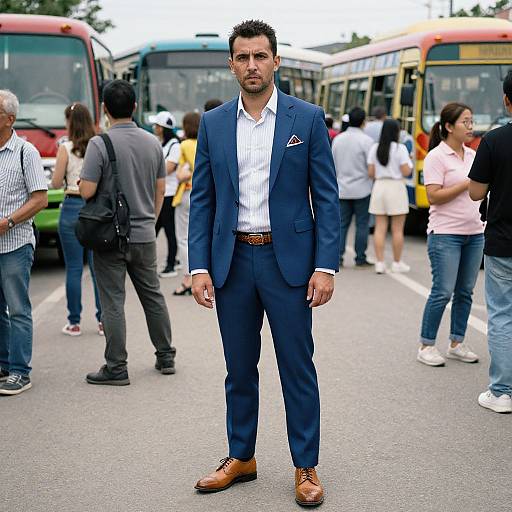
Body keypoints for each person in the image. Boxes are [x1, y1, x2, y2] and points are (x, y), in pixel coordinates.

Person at [189, 20, 340, 507]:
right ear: (231, 64)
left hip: (288, 263)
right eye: (242, 57)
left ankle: (305, 466)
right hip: (232, 260)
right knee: (239, 368)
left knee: (297, 366)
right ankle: (242, 456)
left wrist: (326, 265)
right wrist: (198, 267)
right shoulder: (213, 123)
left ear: (276, 60)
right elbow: (203, 202)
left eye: (260, 56)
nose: (251, 65)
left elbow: (328, 199)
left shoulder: (307, 118)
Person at [79, 80, 176, 385]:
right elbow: (160, 188)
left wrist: (80, 186)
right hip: (145, 233)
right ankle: (165, 356)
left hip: (111, 236)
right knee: (153, 296)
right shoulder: (152, 143)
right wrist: (150, 219)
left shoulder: (100, 143)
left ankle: (116, 366)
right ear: (134, 107)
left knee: (112, 301)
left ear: (105, 109)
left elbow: (87, 191)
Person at [417, 103, 484, 367]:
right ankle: (426, 344)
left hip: (475, 232)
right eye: (465, 122)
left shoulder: (472, 155)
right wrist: (467, 183)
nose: (470, 127)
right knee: (442, 291)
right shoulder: (436, 156)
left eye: (471, 121)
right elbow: (434, 196)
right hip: (445, 234)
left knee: (465, 292)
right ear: (448, 126)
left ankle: (457, 342)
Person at [469, 70, 512, 414]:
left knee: (501, 316)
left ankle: (502, 392)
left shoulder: (494, 141)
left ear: (506, 101)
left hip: (503, 241)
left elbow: (475, 193)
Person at [0, 90, 48, 395]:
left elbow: (40, 199)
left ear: (10, 119)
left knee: (17, 309)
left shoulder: (25, 152)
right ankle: (4, 364)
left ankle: (20, 371)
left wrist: (7, 222)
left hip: (14, 243)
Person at [51, 103, 103, 336]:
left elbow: (55, 182)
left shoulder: (65, 147)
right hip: (93, 207)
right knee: (97, 268)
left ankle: (74, 322)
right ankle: (103, 321)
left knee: (73, 267)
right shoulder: (98, 144)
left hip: (71, 205)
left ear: (70, 122)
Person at [367, 119, 412, 274]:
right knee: (397, 229)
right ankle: (396, 262)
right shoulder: (401, 149)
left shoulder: (374, 148)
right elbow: (406, 172)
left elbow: (371, 173)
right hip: (396, 187)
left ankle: (379, 262)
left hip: (379, 187)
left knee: (380, 227)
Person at [332, 106, 373, 267]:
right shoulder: (367, 141)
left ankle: (338, 257)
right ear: (363, 122)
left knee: (341, 224)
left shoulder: (339, 139)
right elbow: (370, 166)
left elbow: (332, 164)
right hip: (362, 189)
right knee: (362, 224)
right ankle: (360, 257)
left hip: (342, 189)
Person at [149, 111, 180, 278]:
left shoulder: (175, 145)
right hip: (160, 193)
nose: (154, 128)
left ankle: (171, 265)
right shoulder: (160, 144)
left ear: (162, 128)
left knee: (169, 230)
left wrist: (151, 171)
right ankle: (163, 263)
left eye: (157, 125)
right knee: (154, 229)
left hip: (170, 194)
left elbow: (168, 168)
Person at [172, 112, 200, 296]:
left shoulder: (184, 145)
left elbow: (180, 174)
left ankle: (188, 277)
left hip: (186, 193)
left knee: (183, 237)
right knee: (199, 234)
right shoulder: (205, 143)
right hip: (202, 194)